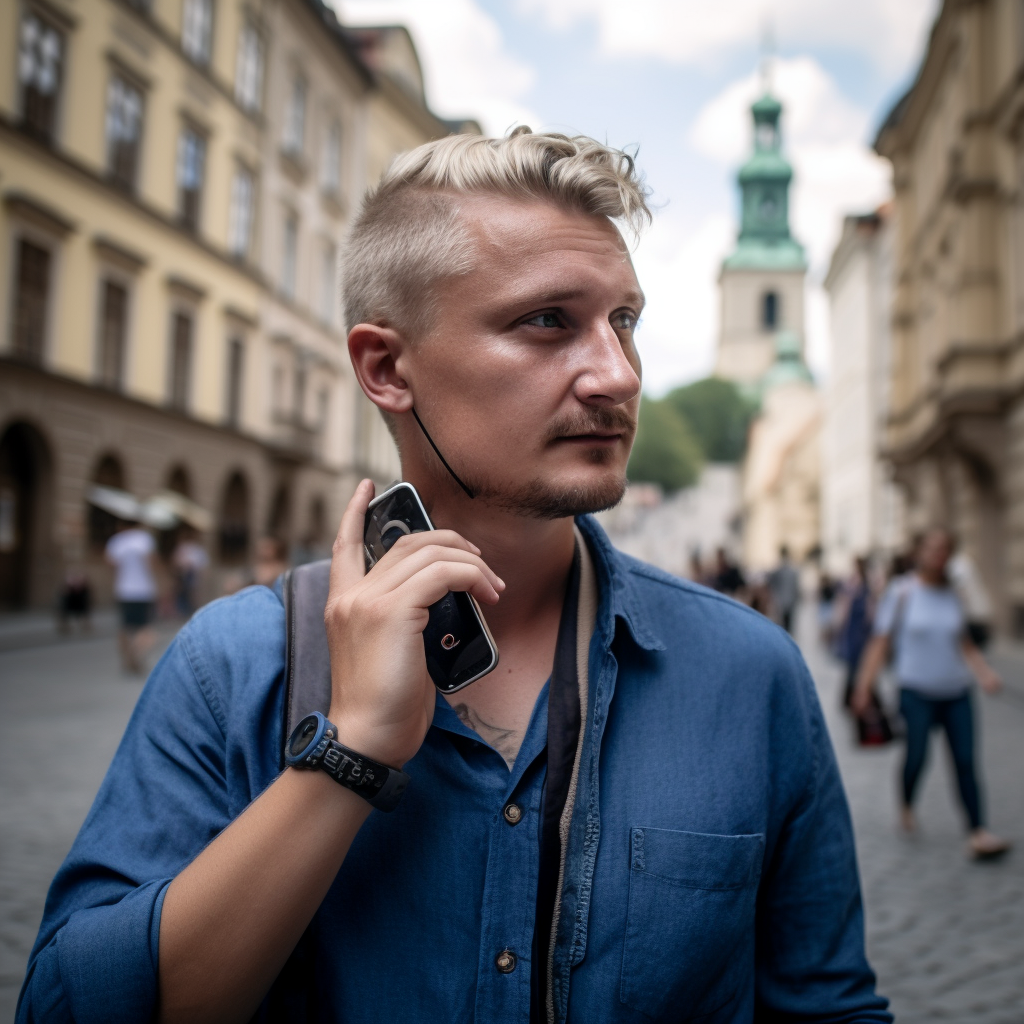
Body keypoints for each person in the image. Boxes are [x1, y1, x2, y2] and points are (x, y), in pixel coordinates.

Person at [19, 129, 891, 1024]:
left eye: (623, 322)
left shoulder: (748, 673)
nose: (618, 375)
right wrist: (346, 754)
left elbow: (828, 1007)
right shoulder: (234, 665)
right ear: (387, 368)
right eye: (547, 321)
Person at [852, 527, 1009, 859]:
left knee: (966, 760)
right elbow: (880, 641)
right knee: (917, 756)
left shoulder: (954, 593)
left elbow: (962, 640)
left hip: (956, 690)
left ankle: (977, 831)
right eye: (932, 548)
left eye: (945, 549)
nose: (939, 555)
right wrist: (864, 685)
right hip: (916, 690)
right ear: (919, 551)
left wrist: (984, 673)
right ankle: (907, 803)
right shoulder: (902, 591)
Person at [104, 517, 157, 674]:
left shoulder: (117, 541)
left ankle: (126, 659)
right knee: (144, 627)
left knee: (125, 626)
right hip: (143, 590)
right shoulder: (144, 539)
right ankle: (136, 653)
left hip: (124, 589)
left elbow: (110, 563)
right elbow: (150, 563)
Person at [171, 527, 209, 618]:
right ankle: (182, 611)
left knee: (192, 592)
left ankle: (190, 610)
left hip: (192, 573)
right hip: (183, 572)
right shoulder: (184, 547)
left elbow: (202, 563)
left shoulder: (195, 549)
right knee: (183, 593)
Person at [767, 545, 799, 634]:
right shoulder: (792, 570)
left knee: (783, 624)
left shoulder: (779, 569)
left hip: (781, 599)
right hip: (788, 600)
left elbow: (772, 584)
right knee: (787, 624)